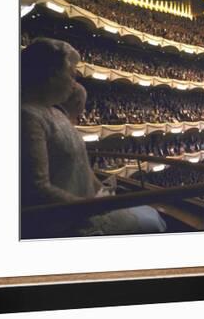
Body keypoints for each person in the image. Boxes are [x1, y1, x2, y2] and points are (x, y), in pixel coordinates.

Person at [20, 37, 166, 238]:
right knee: (153, 220)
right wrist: (91, 207)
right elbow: (37, 189)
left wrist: (102, 192)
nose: (74, 84)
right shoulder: (27, 116)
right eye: (71, 75)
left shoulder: (54, 113)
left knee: (150, 212)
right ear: (51, 74)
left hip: (86, 206)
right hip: (69, 221)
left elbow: (82, 166)